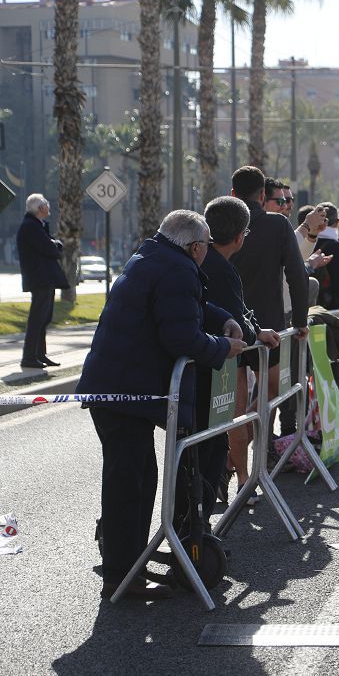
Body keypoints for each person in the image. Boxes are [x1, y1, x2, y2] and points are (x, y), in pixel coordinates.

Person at [77, 210, 246, 600]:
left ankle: (127, 569)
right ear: (197, 246)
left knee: (137, 480)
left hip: (119, 388)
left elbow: (191, 307)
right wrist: (224, 347)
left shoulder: (155, 256)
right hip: (125, 393)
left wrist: (222, 320)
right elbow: (181, 336)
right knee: (129, 486)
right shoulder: (177, 269)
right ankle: (121, 577)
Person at [201, 197, 281, 505]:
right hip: (221, 358)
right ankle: (241, 480)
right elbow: (237, 315)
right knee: (232, 418)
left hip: (210, 353)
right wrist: (256, 334)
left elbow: (240, 311)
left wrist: (256, 330)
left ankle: (228, 477)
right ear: (239, 236)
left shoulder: (205, 259)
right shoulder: (221, 267)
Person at [228, 166, 309, 457]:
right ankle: (234, 463)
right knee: (271, 393)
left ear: (233, 193)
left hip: (227, 324)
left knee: (231, 408)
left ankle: (232, 468)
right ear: (263, 194)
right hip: (269, 325)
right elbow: (298, 276)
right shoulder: (277, 224)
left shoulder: (219, 221)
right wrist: (300, 321)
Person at [17, 193, 70, 368]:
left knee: (44, 318)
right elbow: (52, 250)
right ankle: (29, 357)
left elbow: (50, 247)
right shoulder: (30, 227)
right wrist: (56, 244)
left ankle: (40, 354)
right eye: (46, 204)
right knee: (37, 319)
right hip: (39, 278)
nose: (49, 206)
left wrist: (54, 244)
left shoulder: (38, 226)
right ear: (40, 208)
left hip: (45, 278)